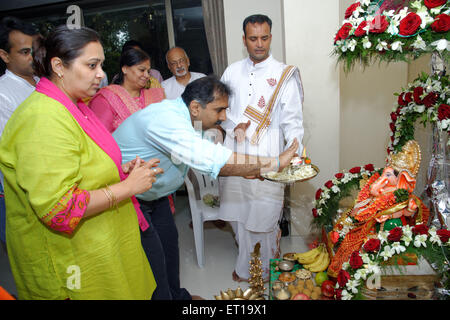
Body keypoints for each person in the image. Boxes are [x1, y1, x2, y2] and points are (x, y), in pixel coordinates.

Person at [0, 25, 163, 300]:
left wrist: (119, 171)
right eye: (91, 65)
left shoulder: (73, 105)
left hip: (100, 244)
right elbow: (59, 209)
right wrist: (127, 188)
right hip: (70, 262)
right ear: (58, 66)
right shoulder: (43, 118)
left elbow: (81, 162)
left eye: (100, 65)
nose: (101, 73)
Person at [112, 75, 299, 300]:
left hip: (156, 196)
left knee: (169, 250)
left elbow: (209, 158)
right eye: (219, 110)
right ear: (195, 107)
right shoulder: (167, 121)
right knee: (153, 263)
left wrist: (250, 169)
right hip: (130, 200)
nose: (223, 117)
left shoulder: (191, 118)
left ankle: (178, 297)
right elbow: (214, 159)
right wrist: (274, 163)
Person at [218, 14, 305, 282]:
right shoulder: (231, 71)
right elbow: (220, 110)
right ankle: (245, 264)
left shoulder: (283, 74)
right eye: (253, 38)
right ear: (244, 39)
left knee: (264, 216)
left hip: (268, 156)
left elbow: (293, 120)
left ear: (270, 37)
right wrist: (235, 126)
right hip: (236, 151)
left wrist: (296, 154)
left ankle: (264, 271)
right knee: (239, 214)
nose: (259, 44)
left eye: (264, 38)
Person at [327, 140, 429, 277]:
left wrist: (410, 210)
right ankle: (373, 245)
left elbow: (406, 212)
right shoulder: (385, 188)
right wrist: (381, 182)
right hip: (376, 222)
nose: (384, 177)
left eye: (388, 175)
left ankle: (386, 247)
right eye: (385, 174)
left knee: (392, 233)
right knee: (366, 230)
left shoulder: (403, 194)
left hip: (395, 224)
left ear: (401, 178)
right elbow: (373, 192)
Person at [0, 16, 39, 246]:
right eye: (25, 52)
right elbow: (13, 151)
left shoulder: (41, 81)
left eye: (34, 49)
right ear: (5, 55)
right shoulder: (3, 94)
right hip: (23, 196)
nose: (32, 57)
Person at [89, 47, 165, 133]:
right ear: (125, 69)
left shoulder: (156, 95)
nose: (147, 75)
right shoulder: (106, 98)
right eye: (142, 70)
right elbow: (101, 136)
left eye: (148, 71)